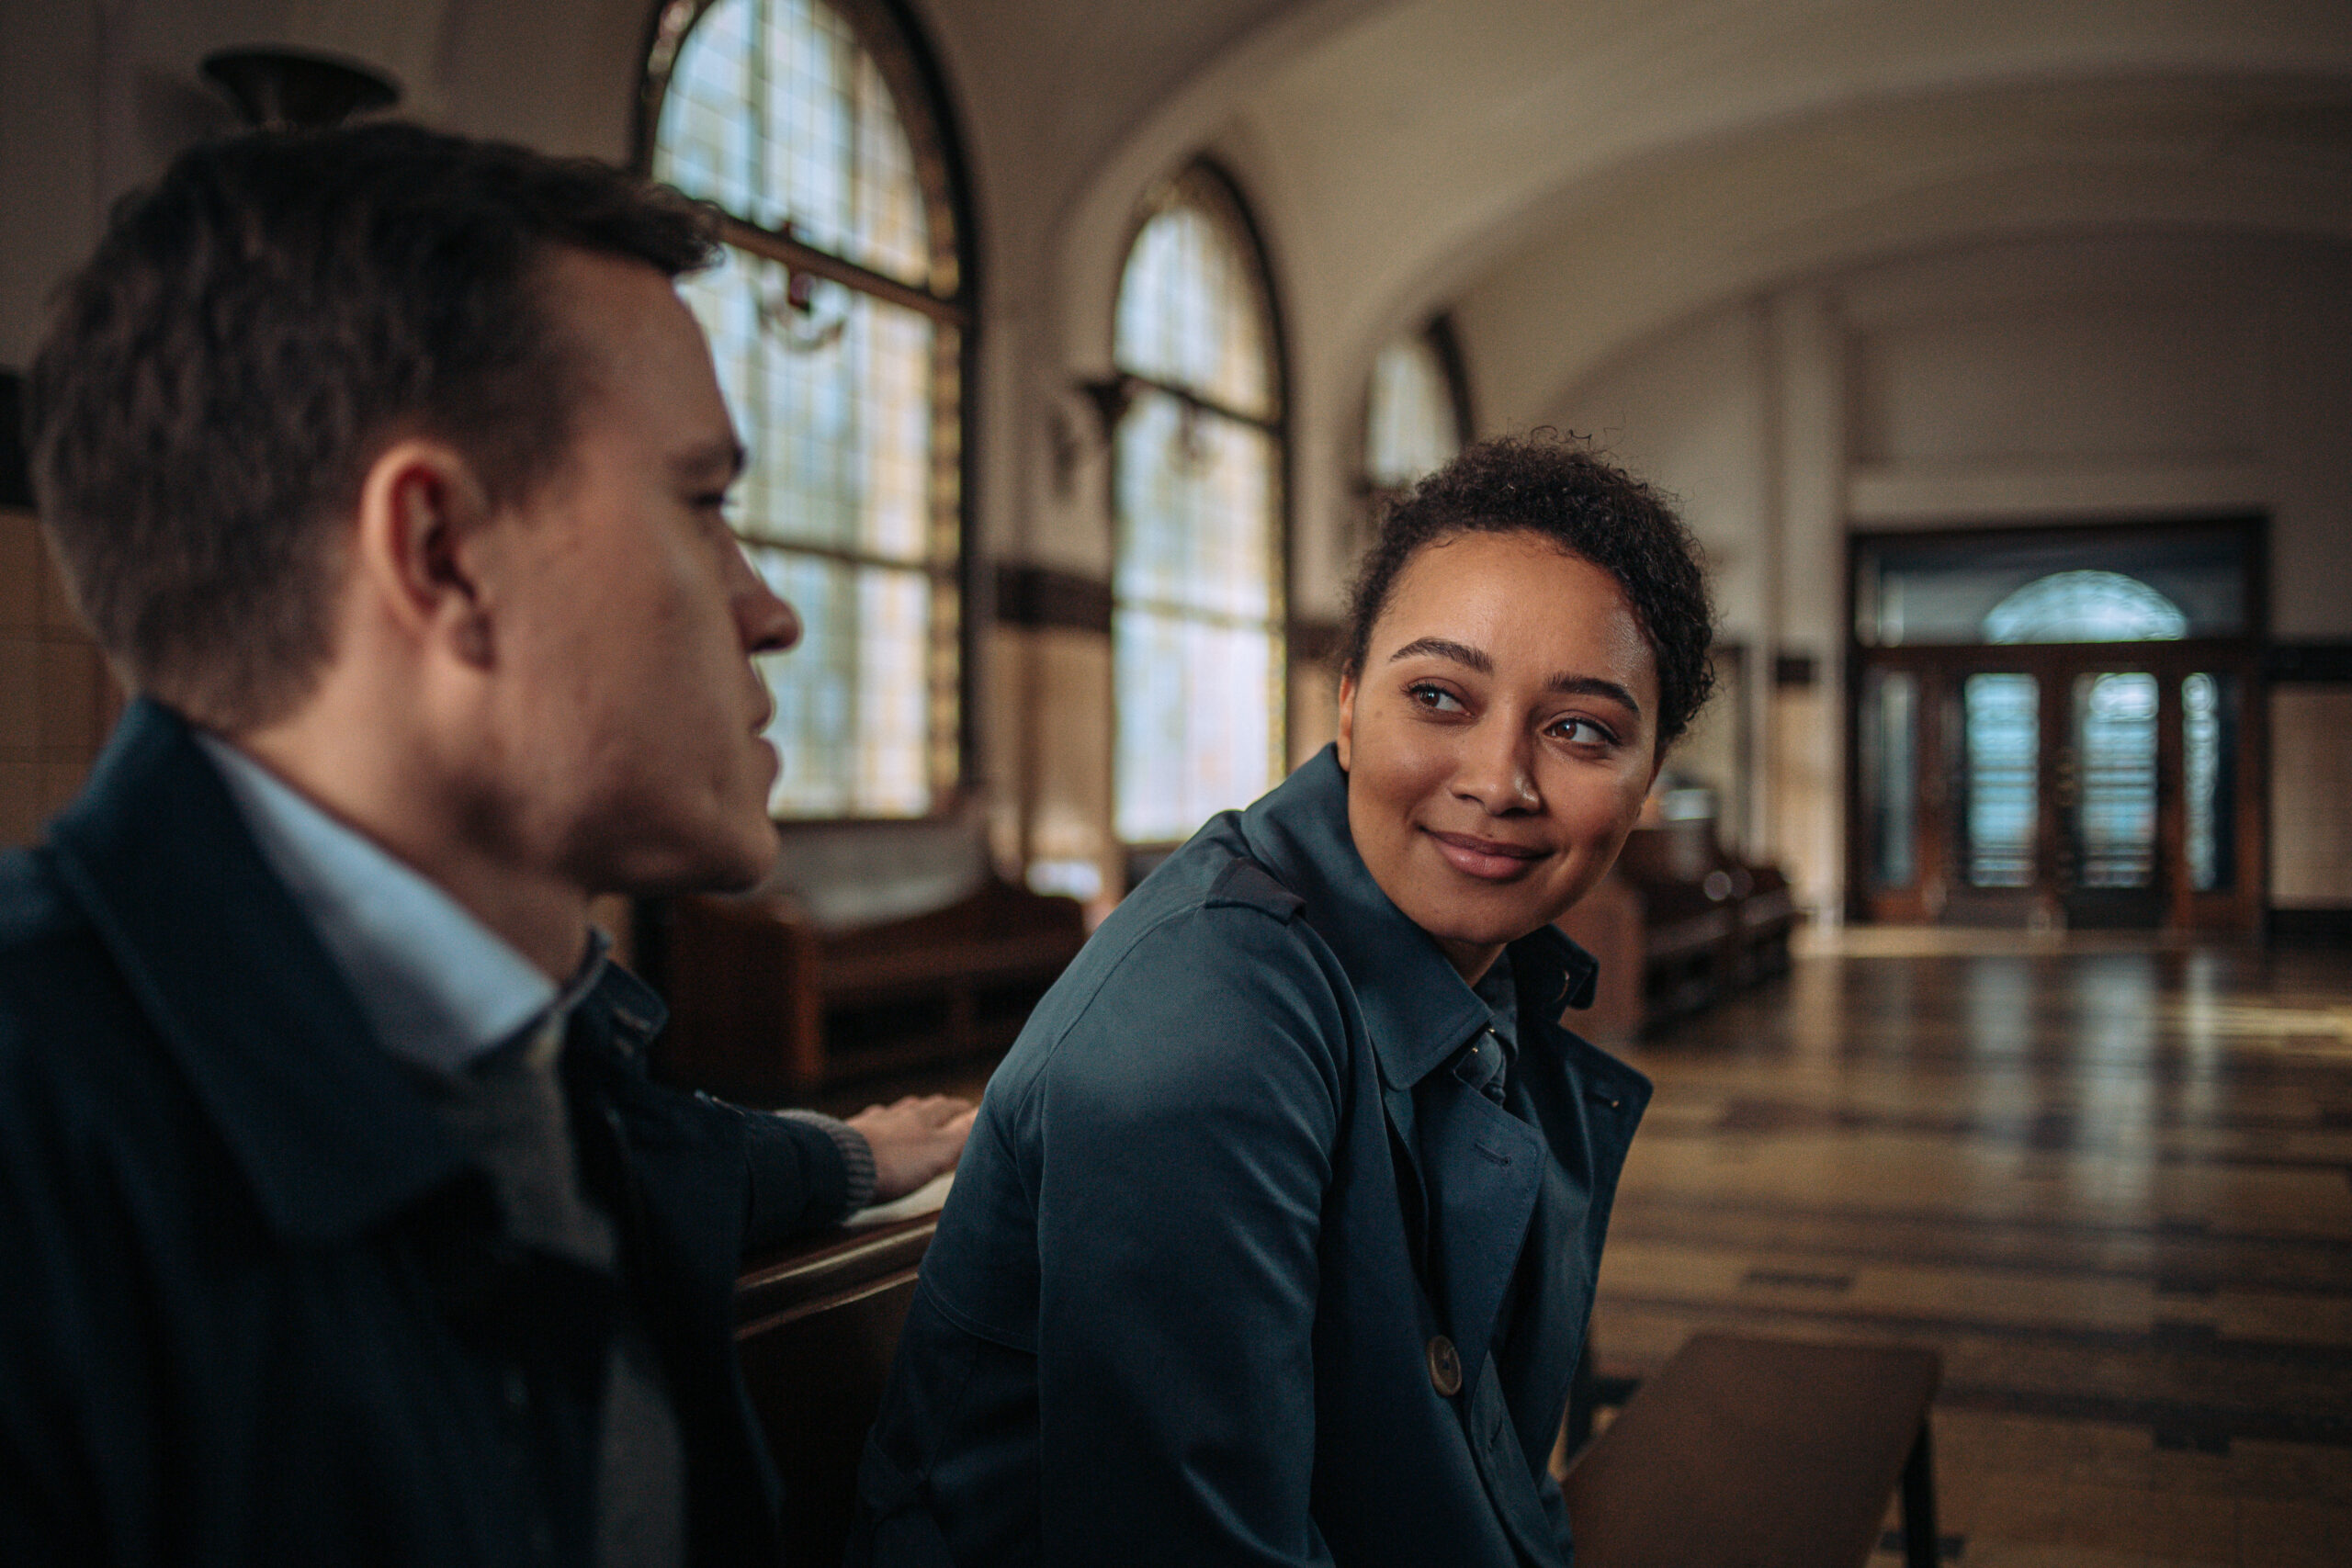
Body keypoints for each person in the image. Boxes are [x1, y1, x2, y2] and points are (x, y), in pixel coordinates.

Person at [2, 123, 973, 1566]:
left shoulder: (524, 1042)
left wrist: (844, 1155)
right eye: (704, 502)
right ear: (444, 552)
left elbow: (662, 1150)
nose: (769, 609)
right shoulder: (43, 1157)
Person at [854, 434, 1714, 1567]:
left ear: (1646, 777)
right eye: (1439, 697)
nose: (1498, 781)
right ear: (1348, 707)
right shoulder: (1207, 1024)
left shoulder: (1486, 974)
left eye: (1580, 730)